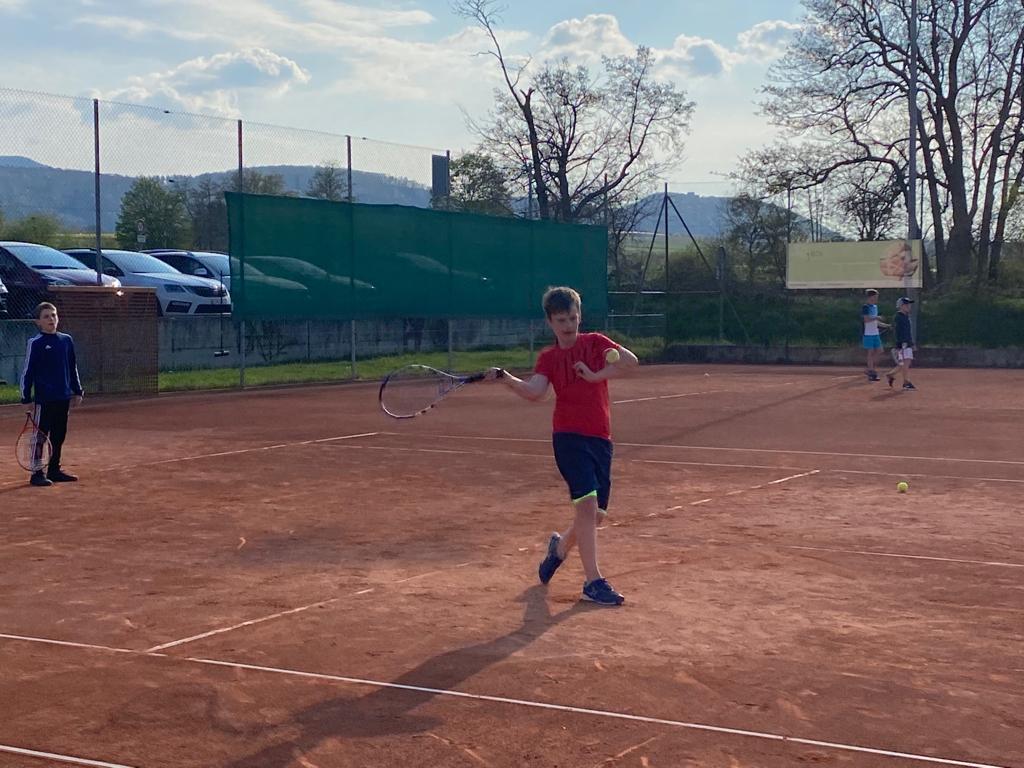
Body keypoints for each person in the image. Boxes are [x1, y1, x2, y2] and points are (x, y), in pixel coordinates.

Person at [488, 286, 639, 606]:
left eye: (572, 317)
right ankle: (593, 582)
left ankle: (557, 550)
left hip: (601, 439)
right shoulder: (549, 358)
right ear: (550, 322)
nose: (568, 325)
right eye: (561, 320)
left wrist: (596, 375)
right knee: (586, 506)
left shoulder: (595, 343)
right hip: (568, 438)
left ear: (579, 316)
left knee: (595, 516)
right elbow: (536, 392)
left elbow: (630, 361)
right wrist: (506, 378)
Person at [20, 302, 84, 487]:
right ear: (38, 322)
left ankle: (54, 470)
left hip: (63, 397)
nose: (51, 319)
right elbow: (28, 371)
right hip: (44, 399)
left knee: (59, 435)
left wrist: (77, 390)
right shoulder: (35, 343)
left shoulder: (66, 340)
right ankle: (37, 473)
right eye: (46, 316)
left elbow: (72, 367)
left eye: (53, 315)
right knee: (40, 436)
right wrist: (26, 397)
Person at [885, 297, 916, 391]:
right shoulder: (898, 317)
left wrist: (911, 343)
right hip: (902, 343)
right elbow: (898, 332)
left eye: (909, 304)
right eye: (906, 304)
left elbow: (908, 332)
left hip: (907, 342)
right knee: (904, 363)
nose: (908, 306)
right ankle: (906, 382)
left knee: (906, 363)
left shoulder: (906, 316)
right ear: (901, 306)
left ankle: (891, 375)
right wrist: (901, 343)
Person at [861, 289, 889, 381]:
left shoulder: (875, 307)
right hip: (868, 333)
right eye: (875, 297)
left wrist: (886, 325)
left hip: (875, 333)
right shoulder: (865, 307)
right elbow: (866, 320)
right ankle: (871, 371)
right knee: (870, 352)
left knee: (880, 351)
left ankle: (870, 368)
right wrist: (876, 317)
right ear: (870, 297)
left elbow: (875, 321)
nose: (876, 299)